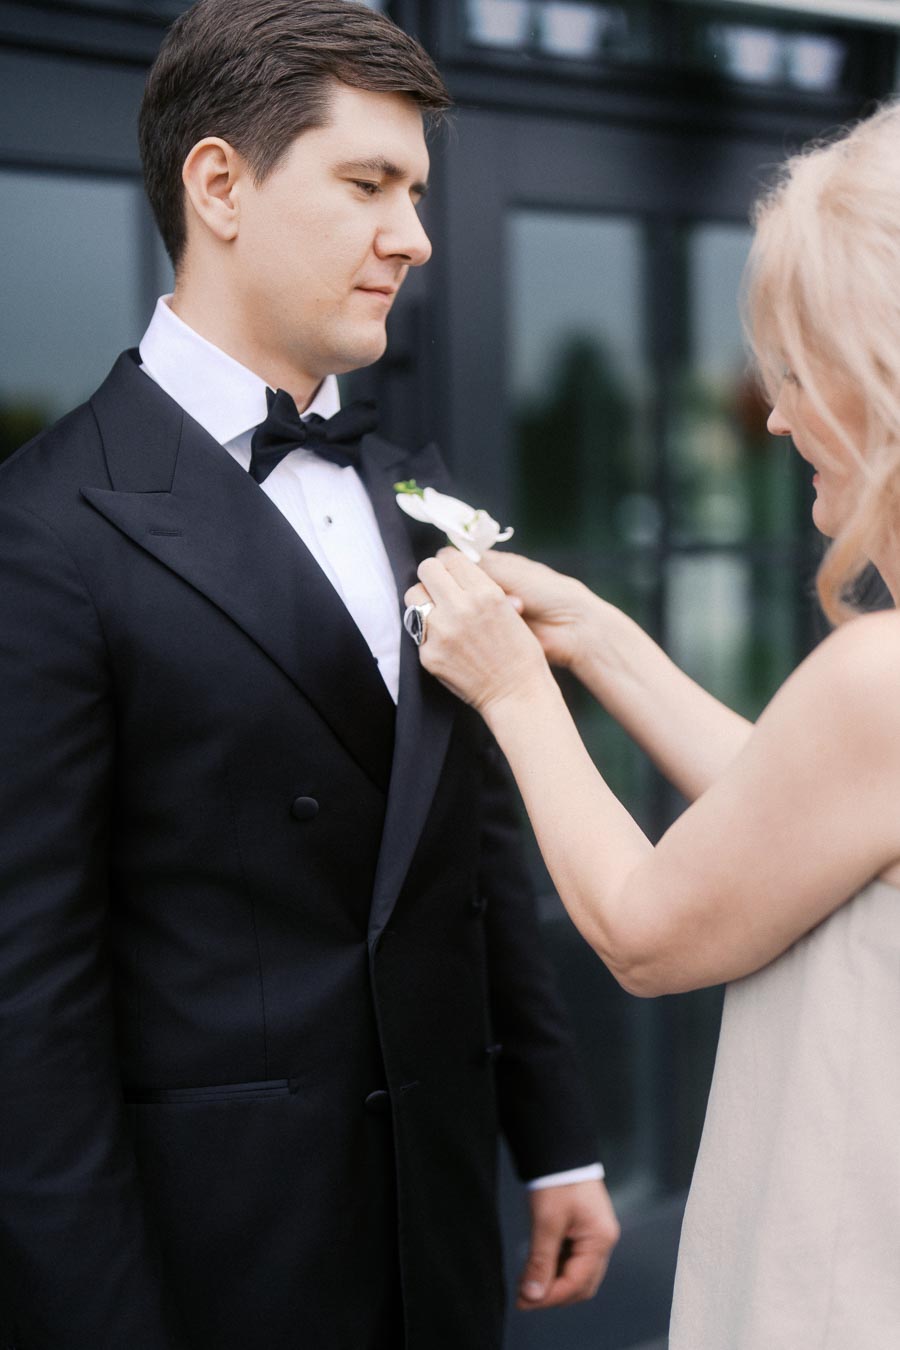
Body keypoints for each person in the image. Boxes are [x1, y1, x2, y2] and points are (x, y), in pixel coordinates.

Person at [0, 2, 620, 1347]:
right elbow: (27, 1006)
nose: (414, 237)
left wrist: (555, 1138)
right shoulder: (42, 527)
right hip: (218, 1255)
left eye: (415, 191)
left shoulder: (420, 484)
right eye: (368, 186)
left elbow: (470, 847)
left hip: (443, 1223)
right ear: (218, 184)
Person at [404, 101, 900, 1347]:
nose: (777, 418)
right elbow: (807, 829)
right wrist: (603, 640)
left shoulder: (875, 679)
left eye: (796, 368)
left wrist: (515, 689)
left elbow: (645, 932)